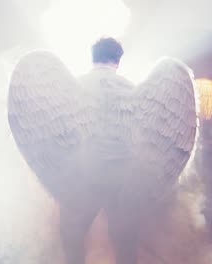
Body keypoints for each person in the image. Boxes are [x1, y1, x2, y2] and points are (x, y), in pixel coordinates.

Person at [59, 37, 140, 264]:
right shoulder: (132, 89)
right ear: (118, 60)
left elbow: (64, 133)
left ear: (92, 57)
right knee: (125, 239)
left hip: (86, 174)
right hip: (122, 177)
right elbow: (140, 136)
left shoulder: (75, 86)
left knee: (71, 233)